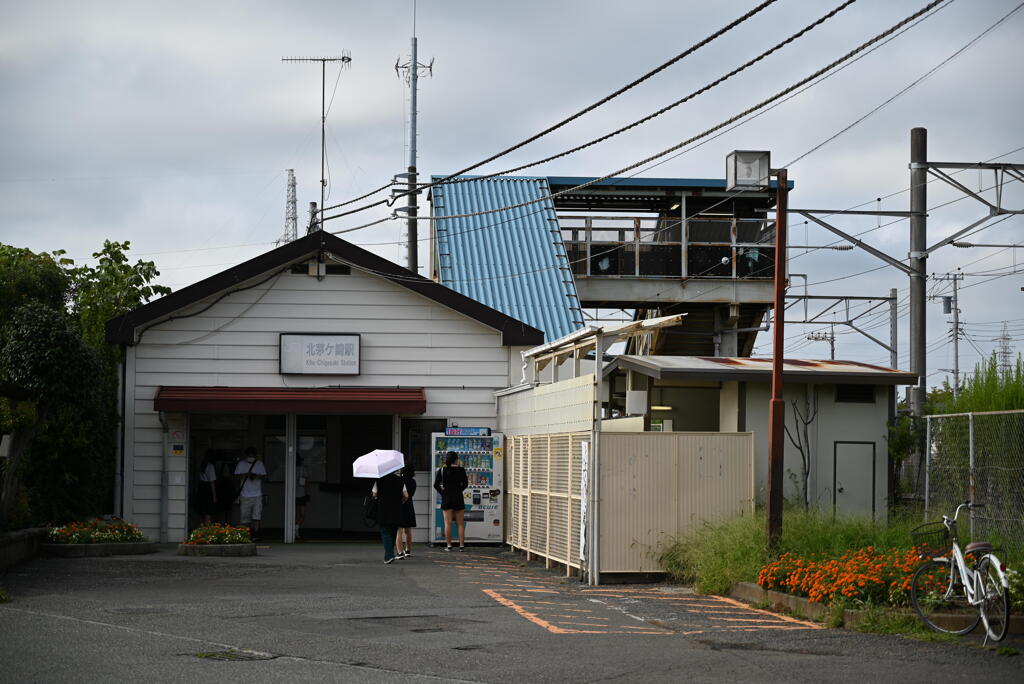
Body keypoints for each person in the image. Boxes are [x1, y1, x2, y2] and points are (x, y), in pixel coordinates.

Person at [433, 451, 469, 551]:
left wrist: (442, 492)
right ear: (456, 460)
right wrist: (459, 490)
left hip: (447, 498)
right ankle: (461, 546)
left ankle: (449, 546)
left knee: (447, 523)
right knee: (460, 523)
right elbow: (465, 484)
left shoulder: (442, 470)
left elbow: (435, 485)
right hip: (458, 497)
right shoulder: (461, 470)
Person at [372, 470, 408, 565]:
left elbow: (374, 494)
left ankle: (389, 556)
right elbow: (406, 495)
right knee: (393, 532)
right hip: (396, 509)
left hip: (383, 509)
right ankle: (389, 554)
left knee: (385, 531)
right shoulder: (400, 480)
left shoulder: (379, 480)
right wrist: (401, 502)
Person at [234, 446, 267, 541]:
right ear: (246, 456)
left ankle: (256, 534)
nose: (251, 458)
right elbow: (236, 476)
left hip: (257, 494)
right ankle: (246, 534)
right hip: (245, 494)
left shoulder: (259, 464)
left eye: (252, 456)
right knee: (245, 516)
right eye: (249, 456)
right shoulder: (241, 464)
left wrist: (256, 476)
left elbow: (264, 477)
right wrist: (245, 475)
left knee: (257, 516)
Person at [395, 466, 417, 558]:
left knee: (399, 530)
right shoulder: (413, 481)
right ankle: (408, 550)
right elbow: (411, 494)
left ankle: (400, 552)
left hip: (400, 505)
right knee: (408, 530)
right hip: (409, 505)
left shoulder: (399, 480)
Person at [194, 451, 218, 525]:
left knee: (201, 509)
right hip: (208, 488)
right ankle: (207, 526)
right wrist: (214, 496)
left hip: (201, 487)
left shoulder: (202, 464)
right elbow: (212, 482)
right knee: (208, 510)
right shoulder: (210, 466)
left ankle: (201, 526)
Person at [294, 455, 309, 539]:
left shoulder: (290, 469)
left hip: (291, 494)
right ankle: (296, 528)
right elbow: (305, 483)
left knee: (292, 513)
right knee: (302, 514)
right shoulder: (303, 469)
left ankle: (293, 528)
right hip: (301, 494)